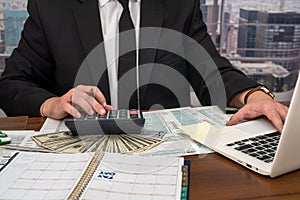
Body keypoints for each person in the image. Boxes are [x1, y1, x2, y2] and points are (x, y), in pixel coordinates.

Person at [0, 0, 288, 132]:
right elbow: (12, 83)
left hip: (162, 149)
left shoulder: (179, 5)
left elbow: (210, 69)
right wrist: (51, 104)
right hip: (79, 149)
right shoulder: (51, 6)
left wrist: (255, 96)